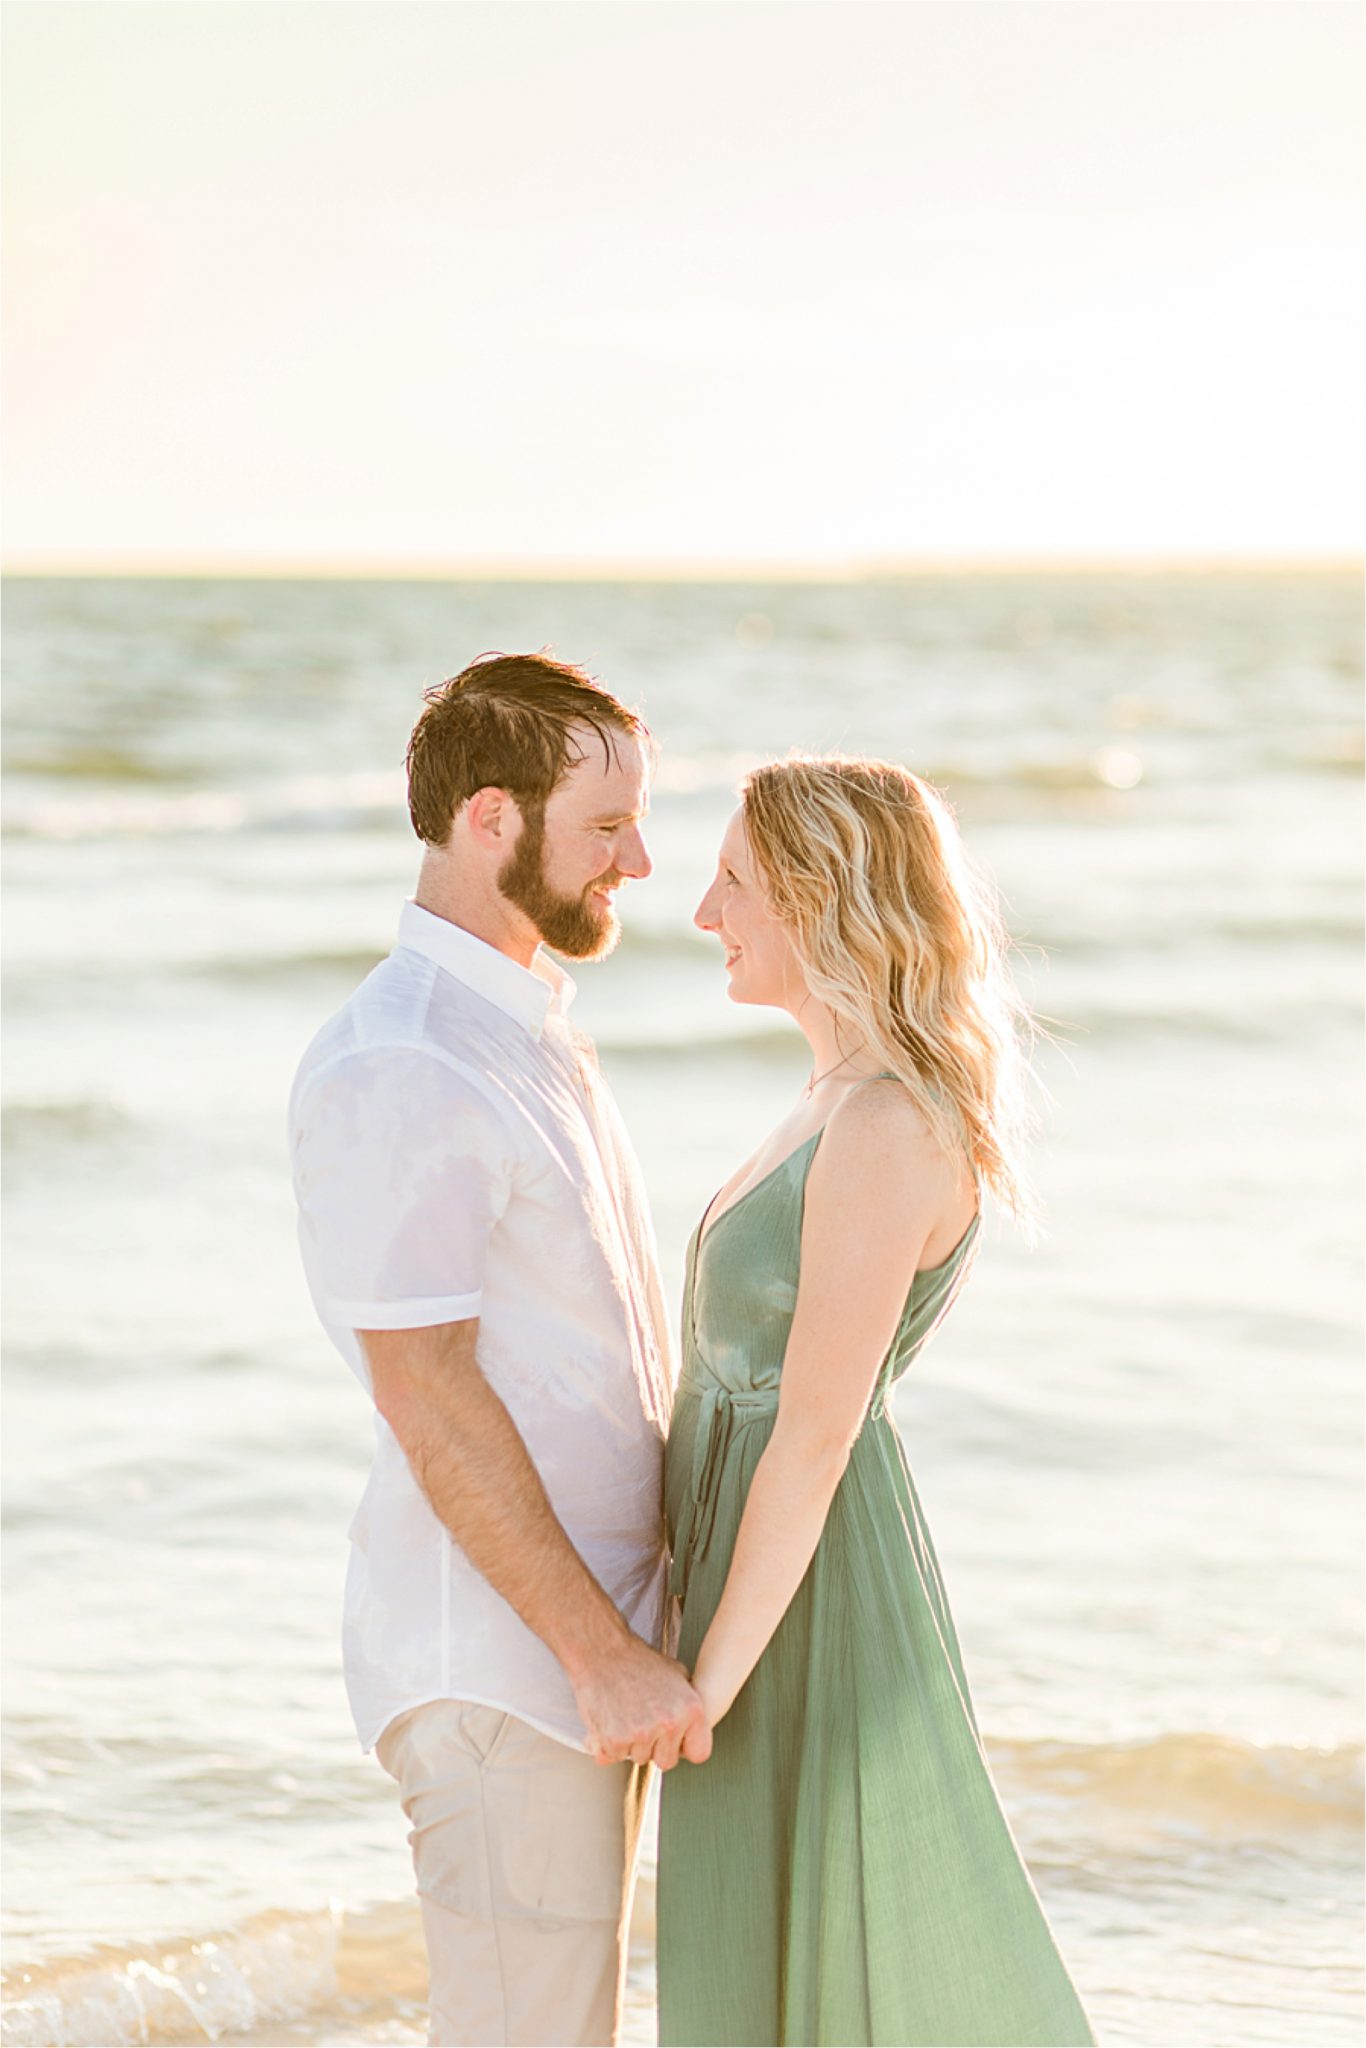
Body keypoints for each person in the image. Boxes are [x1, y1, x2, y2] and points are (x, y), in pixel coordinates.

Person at [288, 653, 708, 2048]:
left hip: (582, 1651)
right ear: (487, 819)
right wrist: (597, 1657)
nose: (638, 860)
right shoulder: (402, 1060)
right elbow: (427, 1391)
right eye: (604, 826)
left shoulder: (520, 1030)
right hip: (505, 1666)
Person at [657, 755, 1095, 2048]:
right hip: (754, 1576)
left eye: (730, 881)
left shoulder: (888, 1122)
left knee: (846, 1952)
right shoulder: (830, 1102)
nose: (702, 912)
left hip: (799, 1589)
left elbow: (813, 1433)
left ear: (813, 898)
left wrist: (709, 1678)